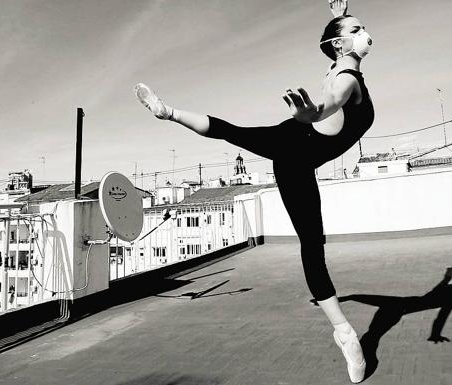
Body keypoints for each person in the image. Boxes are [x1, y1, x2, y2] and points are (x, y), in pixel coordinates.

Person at [134, 0, 372, 382]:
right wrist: (312, 113)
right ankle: (345, 334)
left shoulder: (343, 66)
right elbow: (333, 99)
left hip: (297, 144)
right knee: (312, 247)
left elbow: (332, 84)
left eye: (362, 28)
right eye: (357, 30)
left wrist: (337, 18)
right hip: (294, 151)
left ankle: (169, 113)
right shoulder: (345, 76)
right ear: (342, 46)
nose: (365, 34)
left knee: (236, 136)